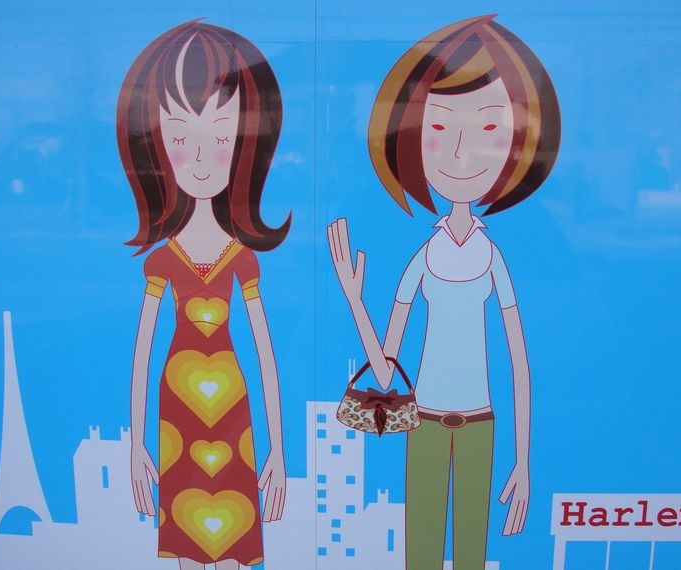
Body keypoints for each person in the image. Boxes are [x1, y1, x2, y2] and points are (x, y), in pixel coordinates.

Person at [328, 15, 560, 569]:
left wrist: (524, 462)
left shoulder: (492, 256)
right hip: (425, 422)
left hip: (481, 423)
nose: (460, 153)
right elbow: (386, 371)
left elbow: (519, 362)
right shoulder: (424, 256)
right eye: (437, 127)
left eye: (488, 128)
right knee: (422, 553)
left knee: (472, 554)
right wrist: (355, 299)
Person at [117, 20, 288, 569]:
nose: (198, 157)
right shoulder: (162, 261)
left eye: (219, 138)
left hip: (233, 406)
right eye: (178, 139)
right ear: (156, 149)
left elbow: (265, 356)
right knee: (187, 546)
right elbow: (142, 354)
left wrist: (277, 450)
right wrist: (136, 445)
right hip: (177, 409)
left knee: (235, 544)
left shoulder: (243, 259)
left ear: (243, 149)